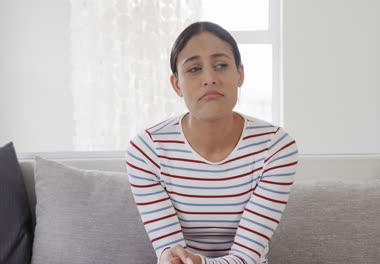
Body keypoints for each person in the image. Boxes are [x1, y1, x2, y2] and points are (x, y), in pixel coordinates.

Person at [125, 21, 298, 264]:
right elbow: (169, 251)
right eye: (194, 69)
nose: (210, 78)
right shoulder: (146, 151)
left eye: (221, 65)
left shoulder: (276, 147)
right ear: (177, 85)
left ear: (240, 74)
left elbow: (248, 256)